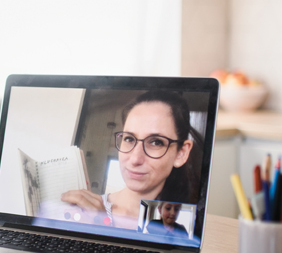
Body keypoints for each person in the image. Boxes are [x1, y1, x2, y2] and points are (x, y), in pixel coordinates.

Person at [60, 90, 203, 229]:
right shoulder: (85, 212)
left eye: (155, 142)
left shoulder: (187, 224)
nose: (135, 159)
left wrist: (104, 227)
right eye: (129, 139)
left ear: (181, 153)